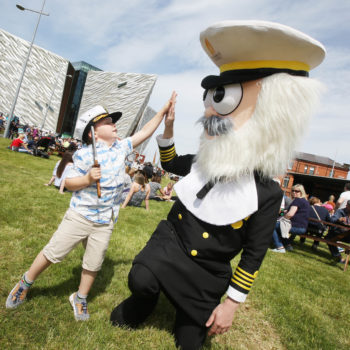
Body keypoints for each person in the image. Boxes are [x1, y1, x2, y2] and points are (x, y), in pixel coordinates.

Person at [110, 21, 325, 349]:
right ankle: (145, 300)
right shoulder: (203, 160)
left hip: (207, 271)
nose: (209, 111)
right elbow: (169, 162)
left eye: (221, 99)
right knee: (140, 280)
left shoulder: (266, 192)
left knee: (191, 341)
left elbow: (253, 254)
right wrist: (168, 128)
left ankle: (188, 309)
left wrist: (231, 304)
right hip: (171, 244)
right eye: (211, 98)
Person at [5, 95, 175, 321]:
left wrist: (163, 110)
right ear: (92, 133)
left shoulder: (120, 148)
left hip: (105, 221)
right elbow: (68, 183)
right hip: (80, 216)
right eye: (107, 122)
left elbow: (144, 132)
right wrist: (86, 179)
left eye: (113, 121)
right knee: (53, 252)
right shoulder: (84, 154)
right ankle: (25, 282)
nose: (114, 125)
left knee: (94, 262)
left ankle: (80, 297)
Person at [271, 184, 311, 252]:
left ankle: (279, 247)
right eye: (293, 190)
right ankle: (287, 245)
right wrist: (279, 213)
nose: (294, 192)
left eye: (297, 191)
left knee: (271, 226)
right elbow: (288, 211)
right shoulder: (305, 201)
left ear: (301, 192)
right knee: (280, 227)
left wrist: (281, 219)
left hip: (295, 226)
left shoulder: (297, 200)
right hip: (302, 227)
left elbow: (290, 214)